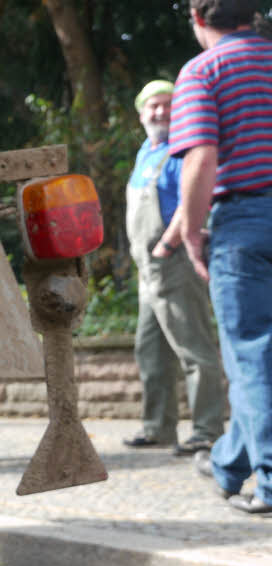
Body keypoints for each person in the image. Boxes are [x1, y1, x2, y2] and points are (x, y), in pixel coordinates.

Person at [163, 0, 272, 514]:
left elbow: (202, 157)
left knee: (251, 356)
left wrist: (189, 229)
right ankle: (231, 463)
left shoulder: (203, 71)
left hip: (245, 223)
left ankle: (268, 479)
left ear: (198, 19)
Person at [122, 79, 224, 455]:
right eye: (153, 106)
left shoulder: (182, 152)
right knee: (150, 350)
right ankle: (158, 427)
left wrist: (168, 244)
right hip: (147, 270)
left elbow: (194, 199)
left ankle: (207, 429)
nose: (161, 112)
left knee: (193, 348)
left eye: (168, 105)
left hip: (174, 261)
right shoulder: (143, 153)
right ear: (141, 112)